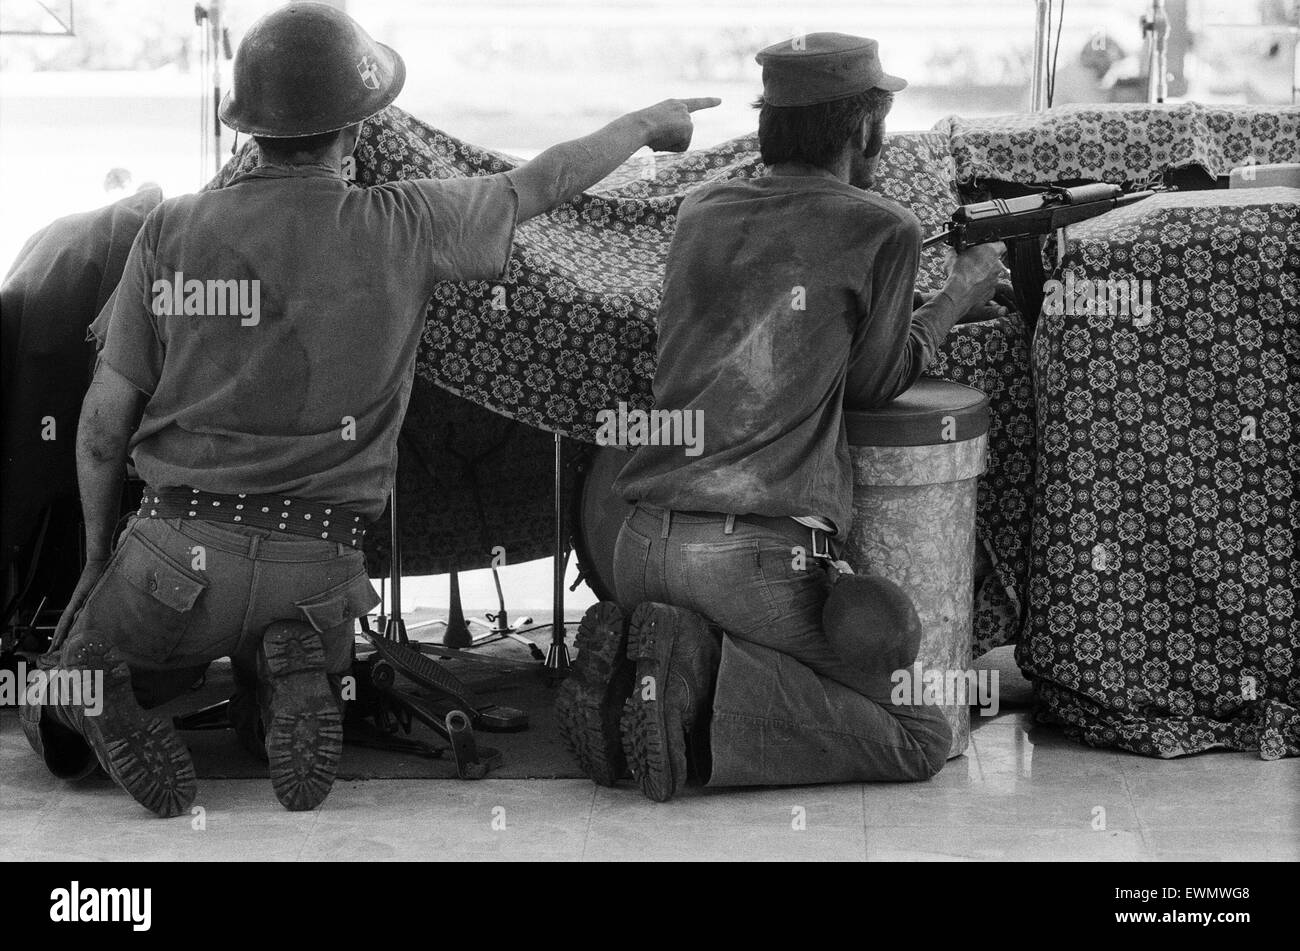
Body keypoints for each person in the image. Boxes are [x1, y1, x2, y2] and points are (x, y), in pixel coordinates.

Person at [27, 0, 718, 817]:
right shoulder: (408, 221)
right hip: (320, 566)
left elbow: (104, 428)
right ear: (355, 133)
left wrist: (100, 554)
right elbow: (540, 182)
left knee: (68, 692)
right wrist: (644, 122)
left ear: (249, 130)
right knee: (276, 656)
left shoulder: (171, 231)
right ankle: (292, 670)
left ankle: (111, 683)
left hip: (180, 554)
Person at [556, 33, 1005, 801]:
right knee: (919, 732)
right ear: (862, 129)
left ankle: (652, 666)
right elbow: (875, 382)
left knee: (802, 665)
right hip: (746, 561)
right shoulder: (883, 226)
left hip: (636, 542)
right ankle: (697, 686)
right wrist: (955, 297)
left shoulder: (702, 208)